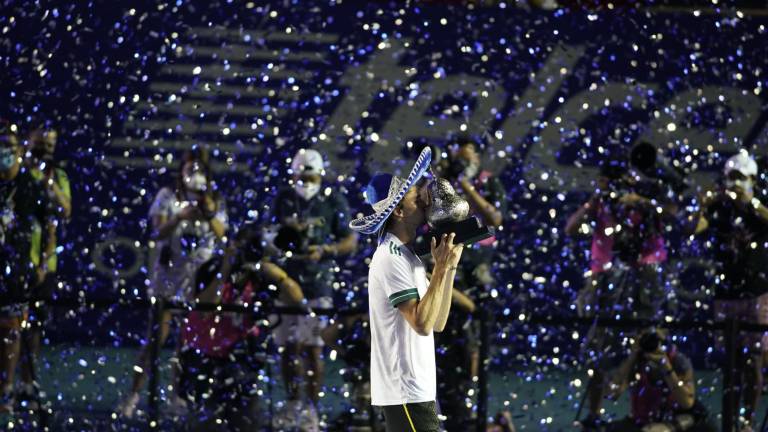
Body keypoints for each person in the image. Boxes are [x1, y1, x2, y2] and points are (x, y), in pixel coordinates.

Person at [349, 146, 465, 432]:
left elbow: (437, 322)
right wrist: (439, 269)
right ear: (399, 211)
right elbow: (421, 324)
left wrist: (449, 267)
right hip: (405, 391)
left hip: (418, 391)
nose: (425, 202)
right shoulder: (391, 257)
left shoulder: (408, 256)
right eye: (416, 198)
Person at [564, 148, 676, 429]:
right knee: (599, 348)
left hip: (644, 276)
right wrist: (593, 203)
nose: (604, 186)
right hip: (606, 279)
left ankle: (643, 413)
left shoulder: (646, 198)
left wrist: (640, 202)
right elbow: (571, 228)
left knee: (644, 344)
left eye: (606, 181)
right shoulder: (601, 203)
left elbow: (673, 215)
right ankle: (594, 414)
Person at [118, 148, 228, 418]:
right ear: (182, 171)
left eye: (200, 170)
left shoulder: (215, 200)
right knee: (156, 338)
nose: (195, 175)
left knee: (186, 343)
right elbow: (157, 232)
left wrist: (208, 213)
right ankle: (133, 395)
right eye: (190, 169)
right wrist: (180, 217)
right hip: (168, 277)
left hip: (198, 278)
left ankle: (177, 396)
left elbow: (222, 234)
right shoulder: (168, 196)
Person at [180, 223, 304, 431]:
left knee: (246, 421)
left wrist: (276, 274)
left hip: (241, 359)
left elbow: (297, 299)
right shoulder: (212, 268)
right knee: (205, 421)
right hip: (205, 357)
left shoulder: (260, 274)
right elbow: (204, 309)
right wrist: (225, 269)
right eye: (243, 246)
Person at [269, 148, 357, 430]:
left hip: (318, 283)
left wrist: (326, 250)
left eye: (310, 176)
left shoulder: (332, 200)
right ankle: (292, 403)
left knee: (312, 349)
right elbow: (269, 233)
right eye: (301, 175)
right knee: (287, 348)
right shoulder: (284, 198)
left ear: (320, 174)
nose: (305, 181)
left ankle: (311, 409)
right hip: (286, 281)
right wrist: (281, 241)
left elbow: (350, 240)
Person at [691, 150, 768, 431]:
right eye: (731, 178)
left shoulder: (759, 206)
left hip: (756, 293)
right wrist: (702, 206)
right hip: (726, 294)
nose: (735, 184)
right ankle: (730, 420)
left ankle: (747, 421)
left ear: (752, 180)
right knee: (731, 363)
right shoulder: (720, 208)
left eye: (740, 178)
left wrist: (751, 204)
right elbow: (694, 228)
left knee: (753, 362)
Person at [433, 136, 506, 429]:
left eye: (467, 158)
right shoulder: (442, 184)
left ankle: (474, 407)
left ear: (477, 158)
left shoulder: (487, 182)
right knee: (444, 342)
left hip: (477, 276)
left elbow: (494, 218)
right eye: (458, 159)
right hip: (450, 268)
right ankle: (451, 408)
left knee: (473, 345)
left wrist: (466, 186)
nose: (462, 164)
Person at [18, 127, 71, 410]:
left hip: (43, 265)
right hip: (13, 262)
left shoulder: (57, 175)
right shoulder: (16, 173)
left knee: (34, 327)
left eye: (51, 144)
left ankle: (28, 384)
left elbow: (65, 211)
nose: (46, 149)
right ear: (29, 142)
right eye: (41, 143)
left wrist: (50, 183)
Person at [0, 121, 41, 413]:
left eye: (8, 147)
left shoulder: (28, 184)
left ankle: (7, 389)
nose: (4, 152)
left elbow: (50, 222)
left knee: (12, 329)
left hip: (15, 269)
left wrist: (42, 262)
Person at [602, 328, 716, 432]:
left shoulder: (678, 361)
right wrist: (632, 357)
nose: (651, 344)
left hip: (677, 420)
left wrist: (665, 365)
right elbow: (611, 394)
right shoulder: (638, 361)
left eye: (655, 339)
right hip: (642, 421)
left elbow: (687, 403)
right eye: (647, 338)